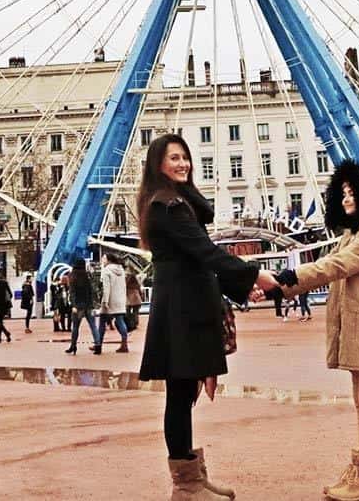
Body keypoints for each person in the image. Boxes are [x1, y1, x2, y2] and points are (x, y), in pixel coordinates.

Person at [137, 133, 277, 500]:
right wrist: (253, 275)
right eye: (173, 158)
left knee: (183, 395)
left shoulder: (174, 203)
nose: (182, 164)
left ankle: (192, 478)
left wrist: (241, 288)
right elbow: (205, 252)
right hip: (182, 309)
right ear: (158, 164)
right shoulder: (167, 206)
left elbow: (199, 259)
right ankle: (185, 485)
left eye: (185, 157)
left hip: (185, 302)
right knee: (180, 395)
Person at [276, 159, 359, 501]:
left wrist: (288, 279)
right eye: (342, 193)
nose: (345, 199)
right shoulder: (353, 233)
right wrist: (280, 287)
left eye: (352, 192)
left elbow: (334, 266)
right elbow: (330, 265)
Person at [95, 252, 129, 354]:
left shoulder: (106, 271)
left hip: (109, 301)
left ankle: (98, 344)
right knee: (120, 321)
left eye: (103, 259)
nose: (102, 261)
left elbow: (106, 288)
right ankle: (124, 344)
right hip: (120, 300)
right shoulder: (121, 270)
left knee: (102, 323)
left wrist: (105, 301)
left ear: (109, 260)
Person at [66, 258, 97, 355]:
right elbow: (91, 291)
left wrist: (74, 305)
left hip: (78, 305)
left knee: (75, 327)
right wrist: (92, 304)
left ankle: (73, 346)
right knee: (93, 326)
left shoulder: (72, 276)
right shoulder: (88, 275)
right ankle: (98, 345)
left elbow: (72, 293)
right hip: (88, 305)